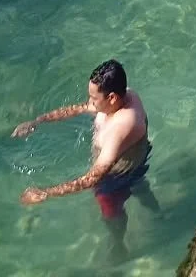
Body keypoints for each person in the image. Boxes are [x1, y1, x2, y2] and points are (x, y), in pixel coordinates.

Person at [13, 60, 156, 252]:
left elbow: (93, 178)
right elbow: (79, 108)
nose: (90, 102)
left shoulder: (121, 127)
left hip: (115, 177)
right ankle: (156, 211)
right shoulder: (123, 95)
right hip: (136, 158)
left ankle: (118, 245)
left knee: (110, 212)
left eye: (94, 98)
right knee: (141, 186)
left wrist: (46, 193)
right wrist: (37, 121)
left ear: (111, 98)